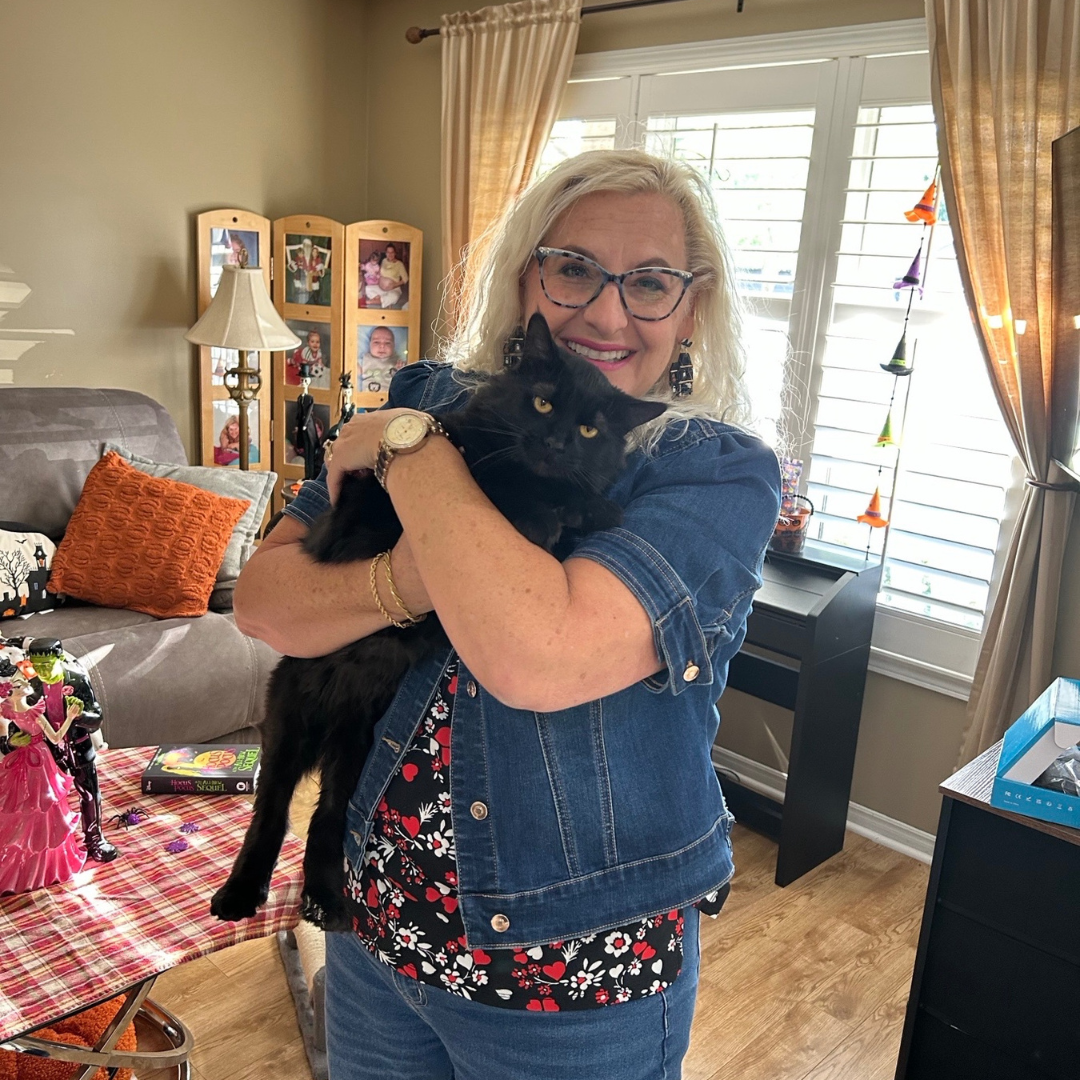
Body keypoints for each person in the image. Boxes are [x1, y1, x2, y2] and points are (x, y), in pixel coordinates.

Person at [233, 149, 780, 1080]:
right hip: (373, 930)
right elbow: (264, 602)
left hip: (571, 984)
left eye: (650, 282)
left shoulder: (715, 473)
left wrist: (409, 452)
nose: (606, 314)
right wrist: (412, 573)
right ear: (527, 278)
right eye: (573, 269)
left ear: (693, 309)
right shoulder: (428, 394)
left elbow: (535, 656)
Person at [358, 325, 404, 394]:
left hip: (391, 397)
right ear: (369, 344)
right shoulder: (365, 359)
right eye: (376, 342)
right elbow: (353, 368)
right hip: (368, 397)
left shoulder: (397, 361)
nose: (382, 346)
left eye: (387, 343)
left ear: (394, 346)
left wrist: (401, 371)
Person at [375, 242, 409, 308]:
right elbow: (379, 272)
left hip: (394, 289)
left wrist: (394, 285)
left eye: (392, 252)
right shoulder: (384, 260)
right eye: (388, 252)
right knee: (368, 289)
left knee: (394, 296)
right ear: (386, 253)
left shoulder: (399, 264)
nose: (390, 254)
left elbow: (406, 278)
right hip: (381, 289)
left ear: (395, 253)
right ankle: (385, 300)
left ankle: (370, 302)